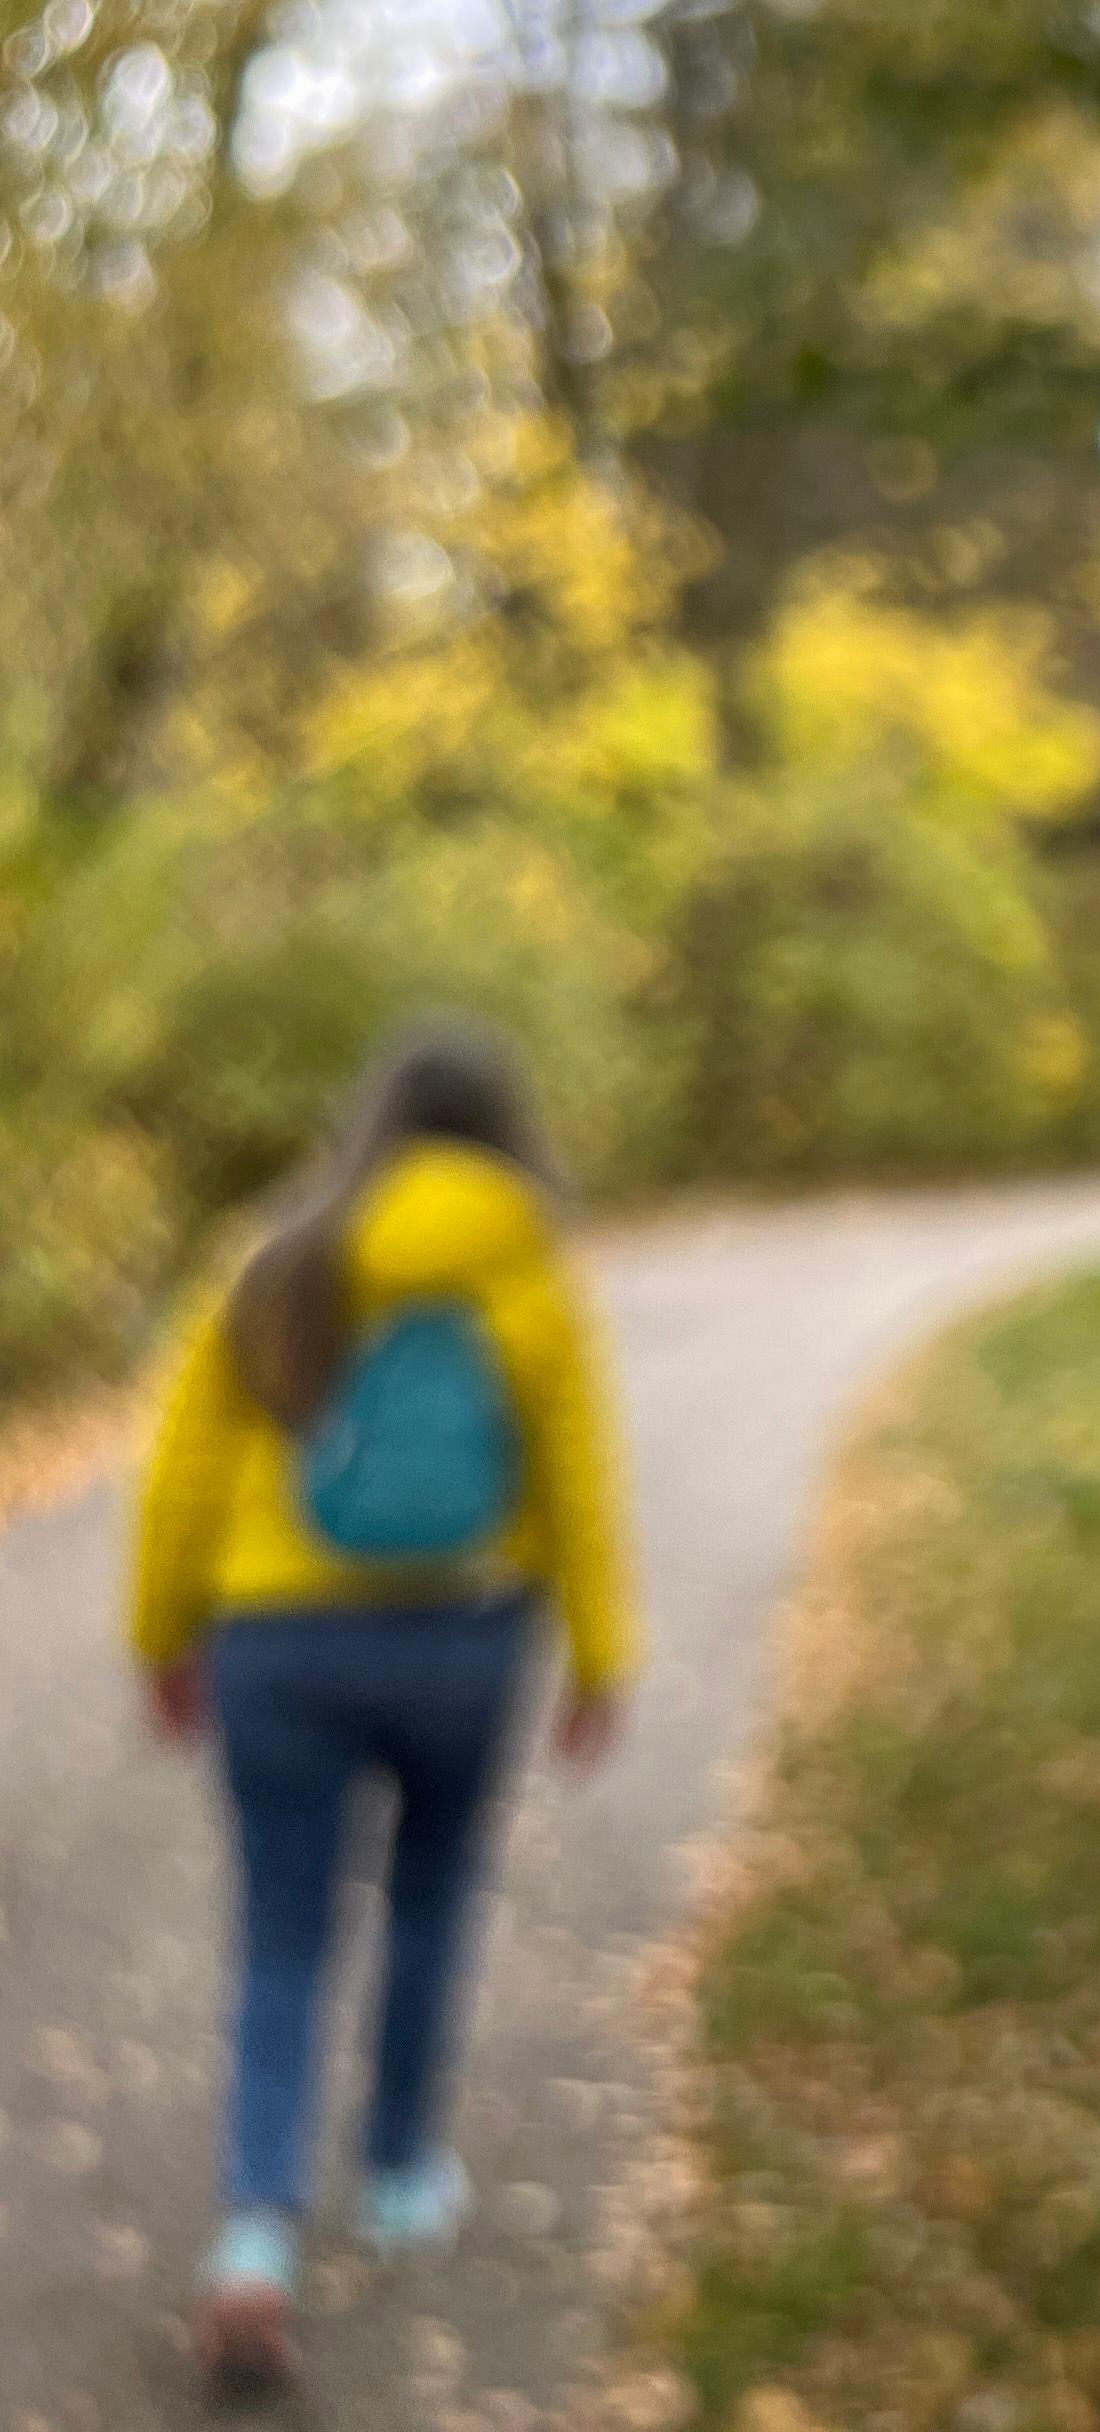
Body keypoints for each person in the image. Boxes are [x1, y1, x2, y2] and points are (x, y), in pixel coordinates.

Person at [125, 1018, 640, 2394]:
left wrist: (159, 1637)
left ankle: (252, 2240)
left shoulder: (279, 1258)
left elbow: (179, 1465)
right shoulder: (523, 1264)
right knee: (427, 1897)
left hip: (274, 1641)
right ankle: (404, 2171)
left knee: (284, 1934)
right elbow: (577, 1474)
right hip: (464, 1636)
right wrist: (602, 1656)